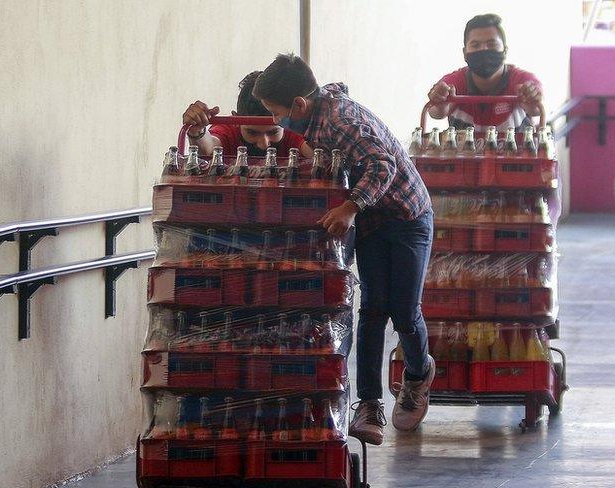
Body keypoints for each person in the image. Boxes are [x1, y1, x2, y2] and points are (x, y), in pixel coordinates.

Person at [252, 54, 434, 444]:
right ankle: (370, 404)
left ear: (298, 104)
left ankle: (418, 374)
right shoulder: (315, 119)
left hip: (407, 219)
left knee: (403, 310)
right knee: (371, 309)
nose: (275, 122)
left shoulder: (340, 121)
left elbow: (382, 166)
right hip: (371, 222)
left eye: (275, 112)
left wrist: (350, 207)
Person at [426, 13, 544, 131]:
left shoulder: (523, 81)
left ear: (505, 50)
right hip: (465, 150)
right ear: (465, 53)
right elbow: (436, 112)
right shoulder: (453, 83)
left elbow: (537, 109)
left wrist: (532, 99)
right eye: (475, 45)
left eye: (491, 44)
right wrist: (439, 101)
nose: (484, 49)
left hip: (518, 149)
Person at [181, 71, 311, 156]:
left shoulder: (293, 130)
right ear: (236, 120)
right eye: (252, 132)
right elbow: (209, 150)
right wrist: (197, 131)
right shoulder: (228, 130)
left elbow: (313, 151)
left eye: (273, 132)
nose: (264, 144)